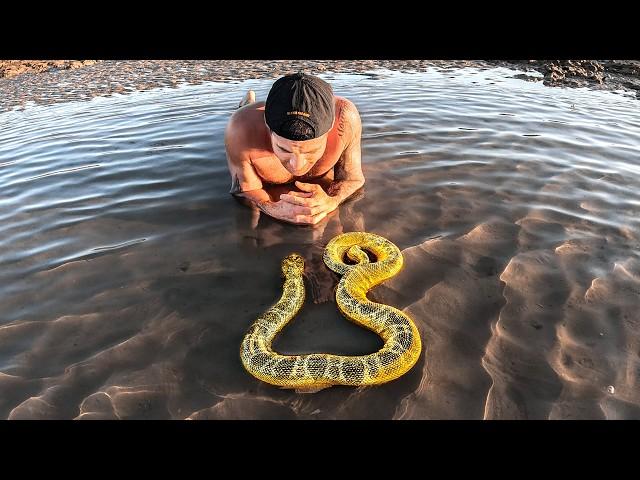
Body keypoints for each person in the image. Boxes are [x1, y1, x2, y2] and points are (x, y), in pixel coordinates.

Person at [225, 72, 364, 226]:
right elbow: (244, 190)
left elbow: (353, 179)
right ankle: (248, 103)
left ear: (331, 128)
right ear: (268, 129)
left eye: (311, 151)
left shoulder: (345, 118)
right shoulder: (241, 128)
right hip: (250, 117)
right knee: (244, 113)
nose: (297, 165)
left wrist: (332, 201)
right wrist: (272, 208)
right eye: (284, 149)